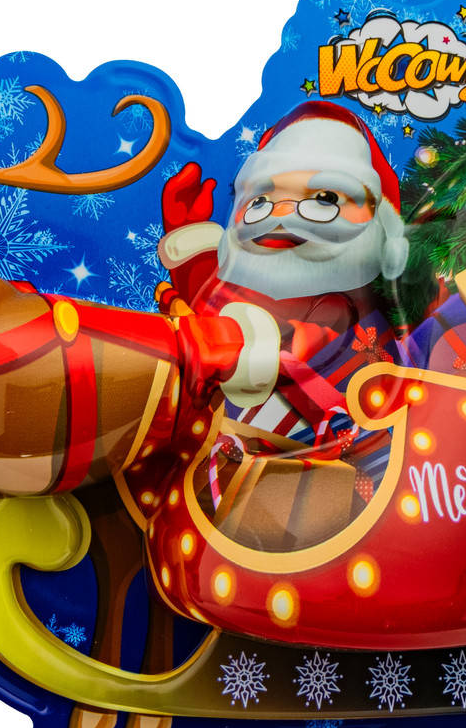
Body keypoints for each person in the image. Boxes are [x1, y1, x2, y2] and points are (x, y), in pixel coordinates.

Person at [157, 101, 408, 547]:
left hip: (327, 490)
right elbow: (215, 308)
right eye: (262, 200)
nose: (281, 212)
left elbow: (317, 359)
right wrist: (190, 248)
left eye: (324, 199)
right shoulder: (236, 290)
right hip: (211, 475)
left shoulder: (352, 314)